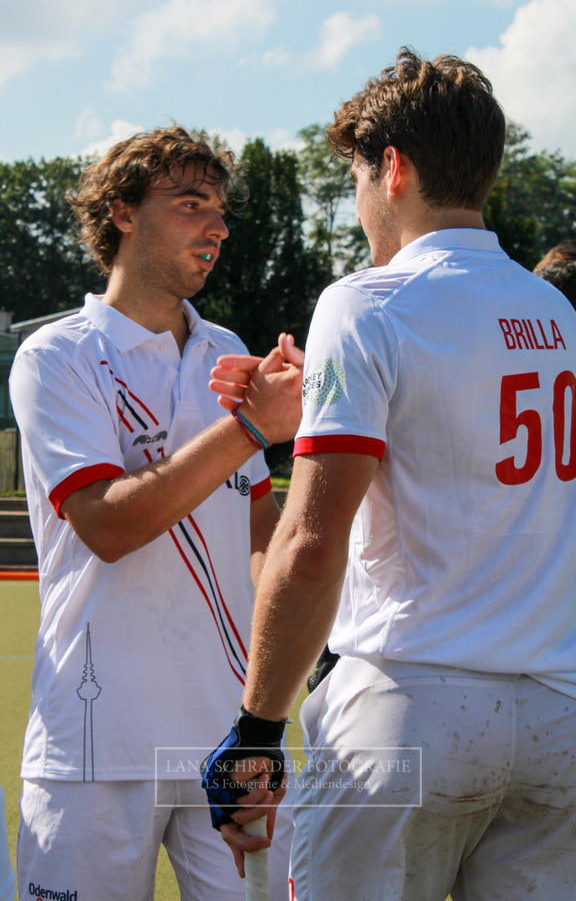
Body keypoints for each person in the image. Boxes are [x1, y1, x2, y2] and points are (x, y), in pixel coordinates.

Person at [203, 50, 576, 901]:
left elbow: (311, 545)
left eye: (359, 179)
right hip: (557, 714)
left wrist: (257, 727)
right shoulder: (554, 309)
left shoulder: (365, 301)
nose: (360, 201)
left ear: (394, 169)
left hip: (412, 704)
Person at [9, 126, 303, 901]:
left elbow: (261, 536)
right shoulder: (58, 356)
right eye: (191, 203)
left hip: (229, 738)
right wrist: (250, 427)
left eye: (221, 210)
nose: (218, 226)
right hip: (93, 744)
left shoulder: (227, 351)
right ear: (123, 212)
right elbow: (107, 526)